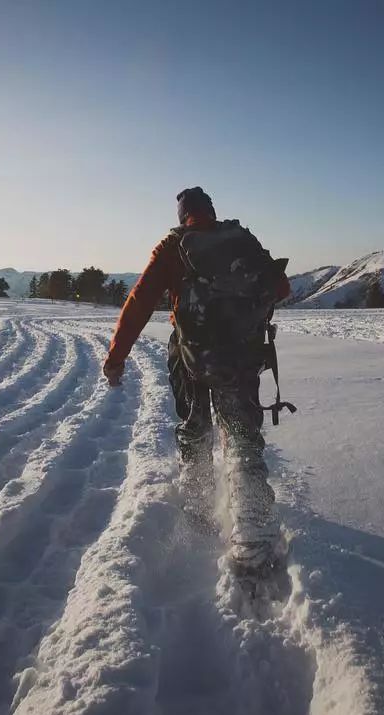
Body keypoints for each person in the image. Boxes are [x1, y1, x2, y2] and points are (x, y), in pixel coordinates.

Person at [103, 187, 292, 578]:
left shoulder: (172, 247)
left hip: (189, 356)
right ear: (211, 211)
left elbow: (139, 301)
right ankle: (253, 530)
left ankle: (200, 505)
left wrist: (116, 358)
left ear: (181, 215)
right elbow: (280, 287)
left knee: (195, 429)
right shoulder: (241, 238)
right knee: (241, 435)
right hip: (240, 354)